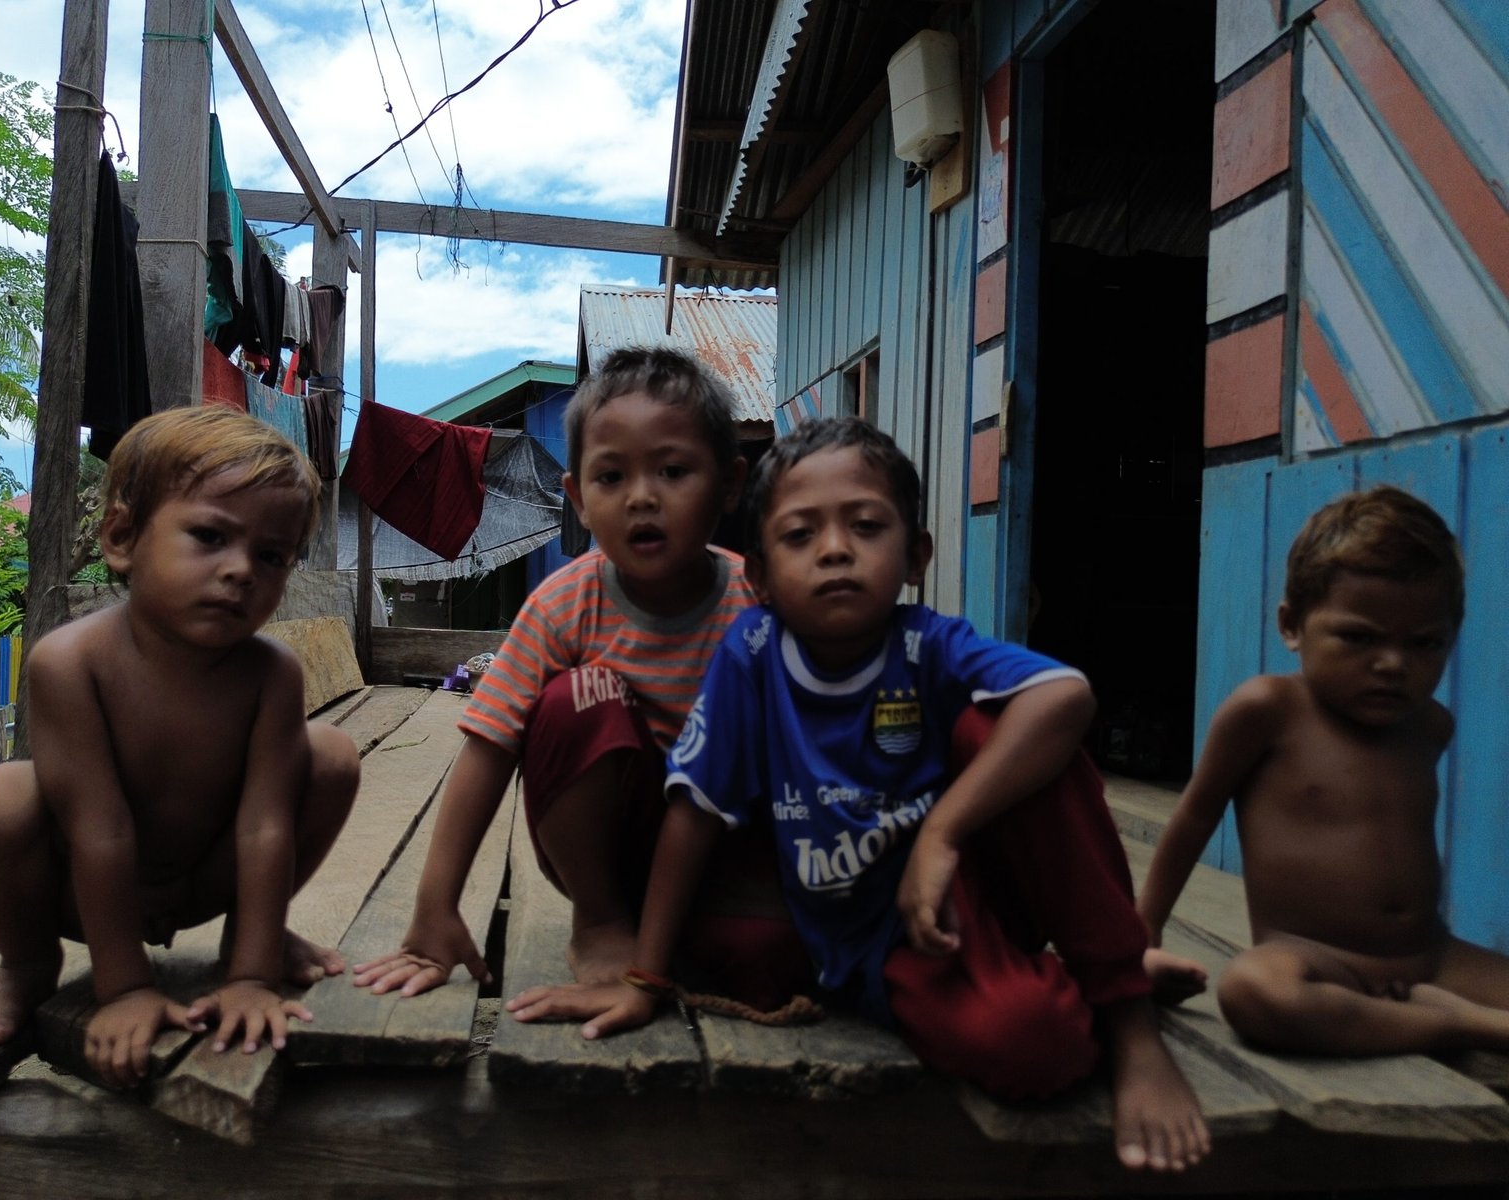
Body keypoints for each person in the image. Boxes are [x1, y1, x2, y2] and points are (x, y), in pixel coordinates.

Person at [507, 416, 1210, 1173]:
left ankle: (1127, 1011)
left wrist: (941, 834)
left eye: (866, 526)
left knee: (1004, 726)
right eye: (801, 535)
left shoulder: (928, 645)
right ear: (762, 581)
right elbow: (694, 815)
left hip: (959, 891)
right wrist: (645, 981)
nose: (835, 549)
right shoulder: (752, 658)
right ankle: (1075, 977)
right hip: (878, 943)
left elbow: (1066, 695)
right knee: (1036, 1051)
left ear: (914, 556)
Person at [353, 348, 802, 1006]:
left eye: (674, 471)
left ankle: (689, 924)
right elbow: (488, 747)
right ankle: (601, 921)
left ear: (731, 483)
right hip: (611, 845)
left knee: (767, 962)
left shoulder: (757, 604)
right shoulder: (564, 605)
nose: (643, 497)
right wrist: (435, 907)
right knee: (577, 698)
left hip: (720, 844)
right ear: (579, 499)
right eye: (612, 477)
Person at [0, 406, 361, 1090]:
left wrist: (250, 978)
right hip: (81, 889)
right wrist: (126, 986)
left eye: (272, 556)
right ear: (123, 537)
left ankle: (254, 941)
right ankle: (24, 966)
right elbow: (96, 829)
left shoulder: (270, 674)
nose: (241, 571)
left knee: (332, 754)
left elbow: (264, 824)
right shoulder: (71, 662)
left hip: (201, 881)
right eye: (209, 536)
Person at [1138, 485, 1509, 1055]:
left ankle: (1427, 1011)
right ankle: (1458, 1026)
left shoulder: (1429, 726)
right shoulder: (1266, 710)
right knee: (1254, 993)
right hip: (1313, 955)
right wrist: (1142, 935)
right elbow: (1192, 821)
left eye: (1426, 644)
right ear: (1292, 626)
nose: (1393, 664)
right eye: (1359, 637)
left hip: (1430, 955)